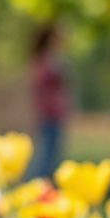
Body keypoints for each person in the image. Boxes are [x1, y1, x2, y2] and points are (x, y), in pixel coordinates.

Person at [31, 22, 70, 179]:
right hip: (49, 114)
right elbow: (39, 88)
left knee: (52, 155)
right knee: (47, 156)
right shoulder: (45, 61)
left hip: (56, 113)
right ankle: (38, 187)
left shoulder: (50, 59)